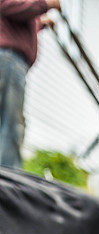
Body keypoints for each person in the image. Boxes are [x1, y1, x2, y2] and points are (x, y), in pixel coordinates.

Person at [0, 0, 60, 168]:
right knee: (10, 125)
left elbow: (16, 17)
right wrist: (46, 4)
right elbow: (9, 6)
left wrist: (40, 23)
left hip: (9, 60)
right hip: (8, 59)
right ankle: (8, 187)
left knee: (8, 123)